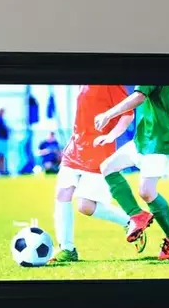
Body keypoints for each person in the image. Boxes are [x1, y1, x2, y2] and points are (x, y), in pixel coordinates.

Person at [52, 85, 147, 263]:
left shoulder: (111, 83)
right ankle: (67, 249)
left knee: (85, 206)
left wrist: (111, 136)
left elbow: (128, 115)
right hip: (75, 148)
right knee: (62, 193)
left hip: (99, 150)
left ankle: (130, 222)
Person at [94, 86, 169, 261]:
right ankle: (137, 215)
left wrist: (108, 115)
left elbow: (138, 97)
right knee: (108, 167)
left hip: (159, 141)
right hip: (141, 139)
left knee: (146, 191)